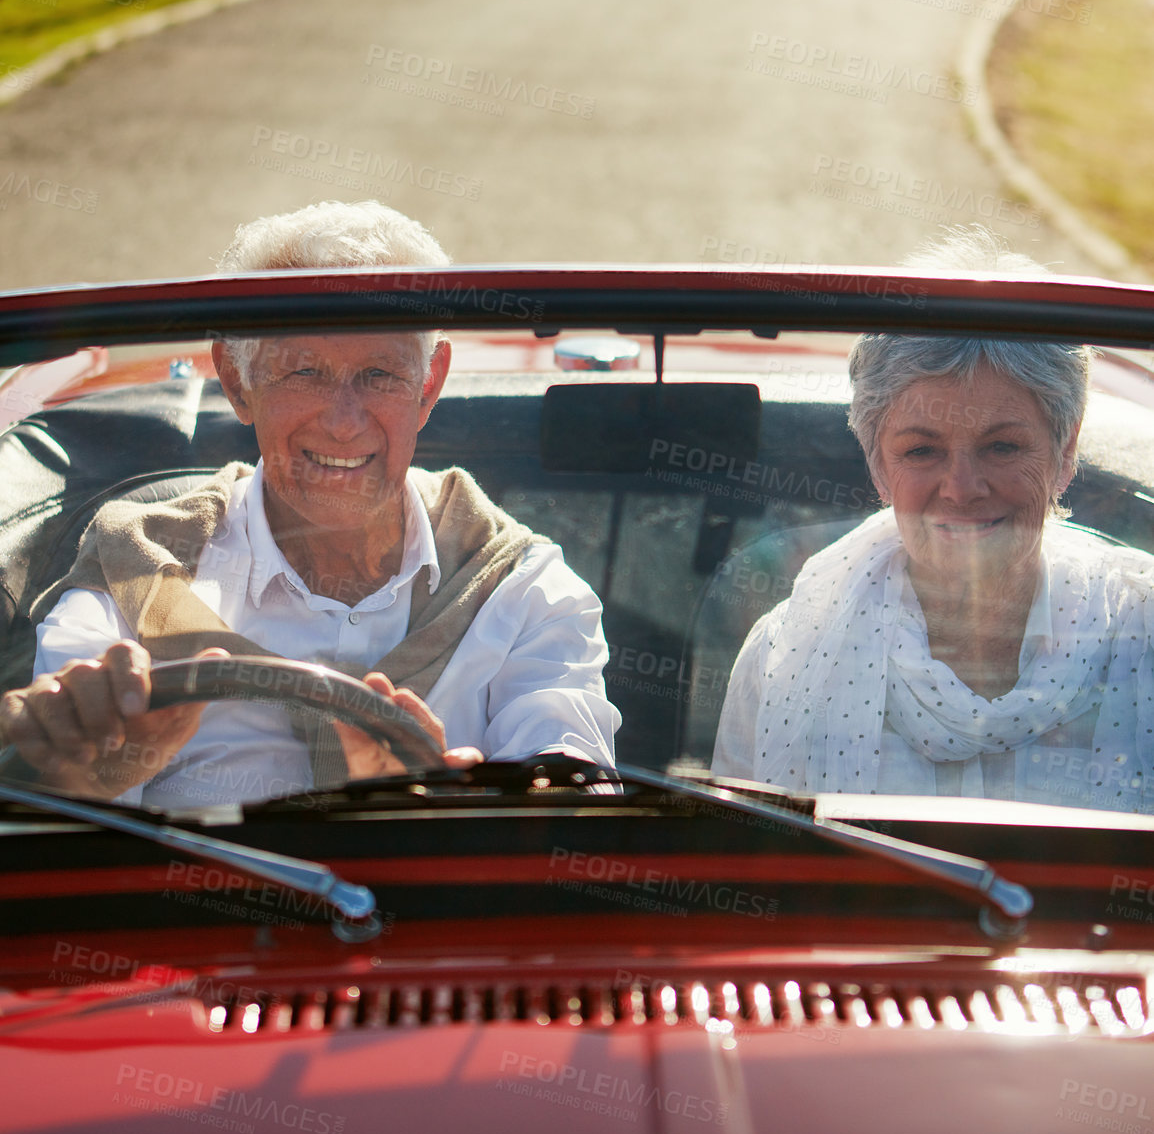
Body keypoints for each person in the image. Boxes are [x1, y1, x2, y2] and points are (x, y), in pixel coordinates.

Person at [0, 201, 618, 806]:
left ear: (428, 384)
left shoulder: (526, 590)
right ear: (238, 383)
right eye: (304, 373)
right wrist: (89, 778)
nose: (344, 422)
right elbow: (56, 834)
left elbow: (572, 827)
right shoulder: (131, 572)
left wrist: (443, 809)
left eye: (380, 375)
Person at [713, 228, 1154, 814]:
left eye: (1002, 447)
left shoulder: (1143, 639)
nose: (962, 489)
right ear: (877, 463)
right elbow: (746, 873)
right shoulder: (784, 653)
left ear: (1065, 451)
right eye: (922, 451)